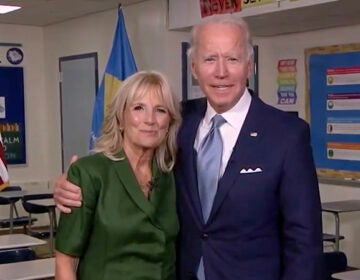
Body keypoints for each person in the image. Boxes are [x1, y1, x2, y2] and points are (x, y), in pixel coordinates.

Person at [54, 14, 323, 280]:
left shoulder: (286, 134)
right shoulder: (177, 122)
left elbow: (304, 240)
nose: (221, 72)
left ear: (249, 65)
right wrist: (69, 187)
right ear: (194, 68)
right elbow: (121, 170)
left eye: (232, 58)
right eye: (210, 59)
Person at [55, 70, 181, 280]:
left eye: (160, 110)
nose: (150, 119)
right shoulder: (89, 173)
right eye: (138, 108)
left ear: (169, 124)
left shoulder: (171, 175)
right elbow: (64, 261)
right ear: (120, 119)